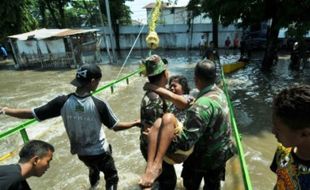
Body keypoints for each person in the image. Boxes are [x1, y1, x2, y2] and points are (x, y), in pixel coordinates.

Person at [0, 63, 140, 190]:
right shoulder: (99, 104)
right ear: (92, 82)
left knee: (93, 169)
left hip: (82, 154)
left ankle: (93, 186)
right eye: (97, 81)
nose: (97, 84)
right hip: (100, 153)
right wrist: (134, 123)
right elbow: (115, 126)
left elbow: (32, 113)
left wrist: (6, 110)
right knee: (112, 177)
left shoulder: (62, 102)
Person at [139, 59, 236, 189]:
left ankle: (155, 165)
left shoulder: (201, 105)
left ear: (196, 79)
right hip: (220, 155)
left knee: (189, 185)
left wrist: (160, 138)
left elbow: (185, 144)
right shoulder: (220, 93)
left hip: (202, 158)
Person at [139, 54, 179, 189]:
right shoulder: (155, 99)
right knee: (168, 181)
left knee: (163, 179)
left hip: (148, 146)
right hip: (153, 147)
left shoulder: (154, 94)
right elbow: (153, 133)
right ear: (164, 74)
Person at [270, 85, 310, 190]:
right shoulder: (282, 151)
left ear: (304, 134)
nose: (272, 131)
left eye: (278, 129)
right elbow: (279, 181)